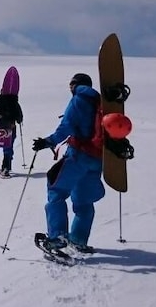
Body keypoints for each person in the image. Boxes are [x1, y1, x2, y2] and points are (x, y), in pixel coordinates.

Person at [31, 72, 105, 253]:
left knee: (56, 189)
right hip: (97, 159)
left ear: (76, 85)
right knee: (83, 201)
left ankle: (57, 238)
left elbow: (67, 126)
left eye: (71, 85)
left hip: (78, 155)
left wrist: (48, 141)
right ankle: (79, 240)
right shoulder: (100, 102)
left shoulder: (79, 99)